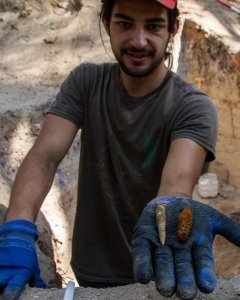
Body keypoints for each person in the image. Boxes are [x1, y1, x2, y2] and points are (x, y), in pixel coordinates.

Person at [0, 0, 240, 299]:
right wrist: (18, 229)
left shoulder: (193, 106)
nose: (138, 41)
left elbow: (176, 185)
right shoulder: (85, 83)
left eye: (153, 26)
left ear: (173, 29)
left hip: (155, 271)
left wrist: (168, 207)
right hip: (90, 268)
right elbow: (44, 156)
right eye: (125, 24)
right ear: (105, 23)